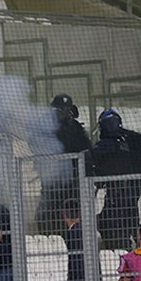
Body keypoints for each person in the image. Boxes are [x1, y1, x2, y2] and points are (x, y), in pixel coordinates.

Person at [92, 109, 141, 250]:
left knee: (107, 221)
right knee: (131, 220)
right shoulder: (135, 137)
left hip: (115, 193)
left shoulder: (104, 144)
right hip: (134, 192)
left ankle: (122, 249)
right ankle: (134, 247)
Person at [36, 94, 92, 235]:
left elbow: (86, 148)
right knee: (50, 206)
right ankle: (49, 234)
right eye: (60, 110)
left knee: (73, 207)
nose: (63, 113)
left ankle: (72, 234)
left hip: (73, 177)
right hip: (52, 177)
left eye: (66, 109)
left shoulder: (75, 126)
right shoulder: (45, 125)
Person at [62, 198, 89, 281]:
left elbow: (74, 260)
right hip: (93, 279)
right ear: (80, 213)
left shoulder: (72, 233)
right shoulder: (87, 230)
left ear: (64, 214)